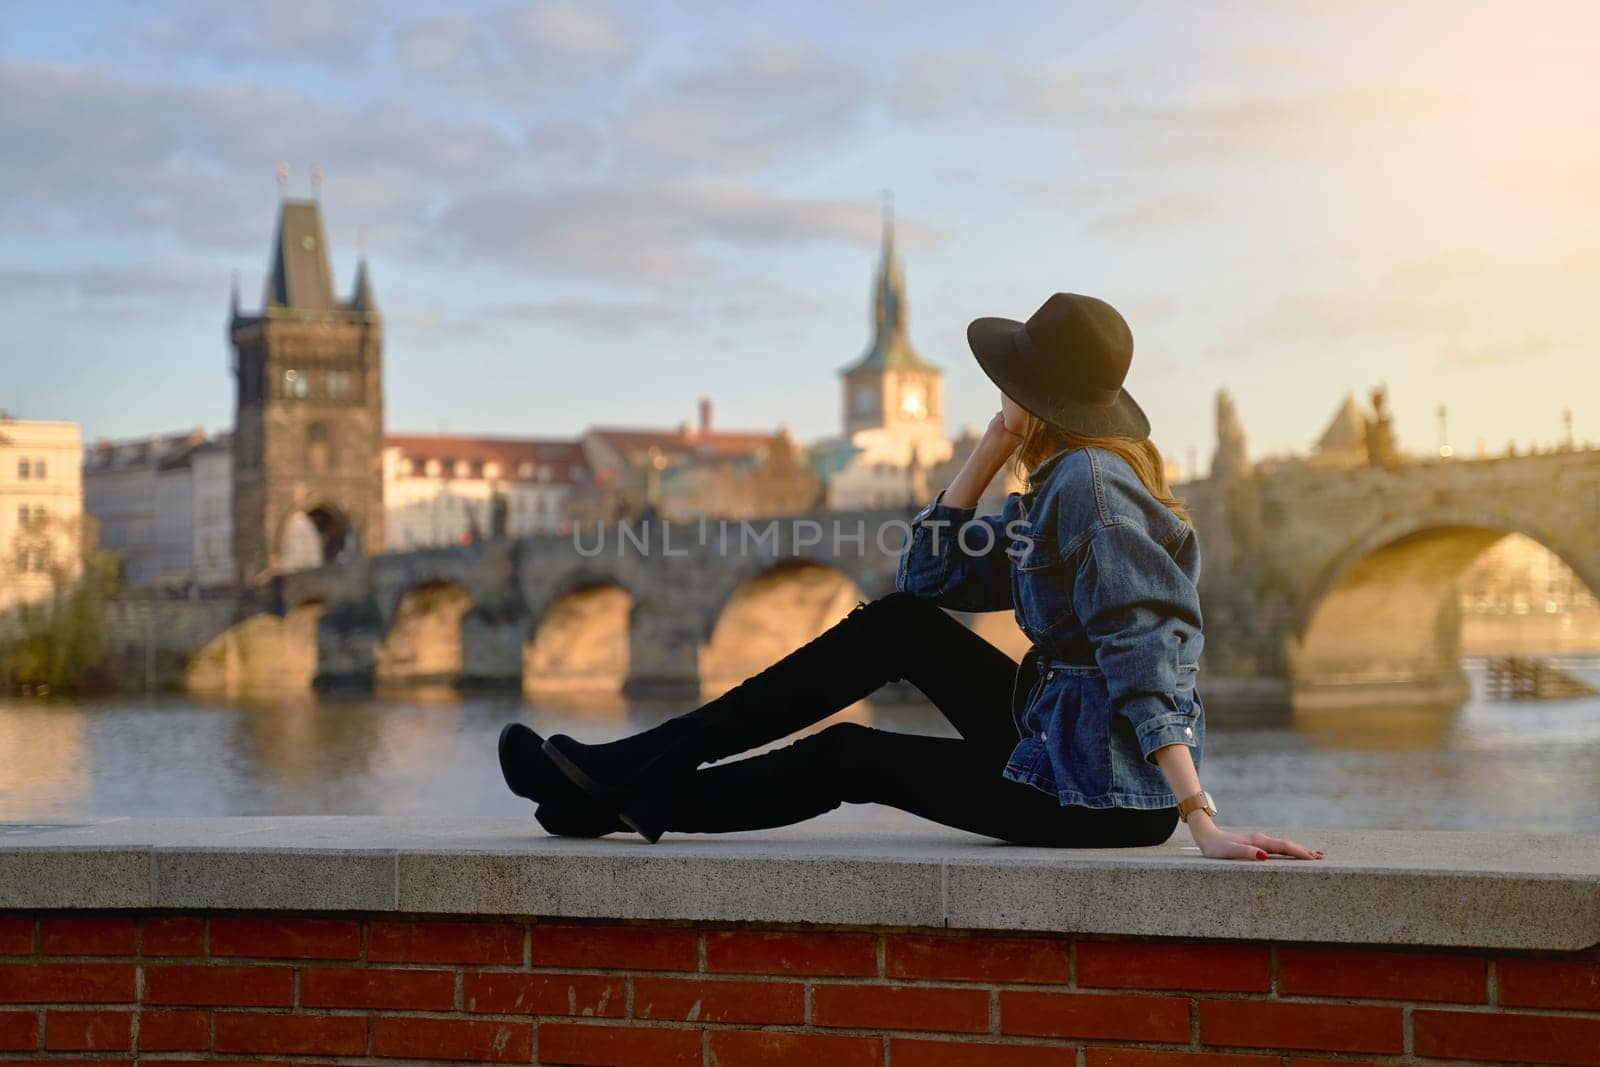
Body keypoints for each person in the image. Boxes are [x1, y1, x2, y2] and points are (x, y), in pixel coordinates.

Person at [498, 292, 1325, 863]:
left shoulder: (1092, 487)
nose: (999, 391)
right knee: (898, 623)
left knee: (853, 755)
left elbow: (1143, 647)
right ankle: (622, 775)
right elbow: (925, 577)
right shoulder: (1058, 482)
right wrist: (984, 455)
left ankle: (620, 792)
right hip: (1059, 747)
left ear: (1034, 390)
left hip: (1103, 795)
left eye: (1011, 383)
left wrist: (1199, 818)